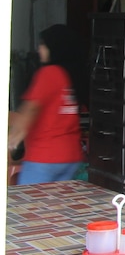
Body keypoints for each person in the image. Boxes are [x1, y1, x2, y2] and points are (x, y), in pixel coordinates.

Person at [7, 25, 87, 184]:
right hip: (70, 157)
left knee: (28, 199)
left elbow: (31, 109)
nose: (39, 49)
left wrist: (13, 137)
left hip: (44, 157)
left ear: (54, 47)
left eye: (43, 44)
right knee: (56, 199)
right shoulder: (72, 76)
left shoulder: (49, 73)